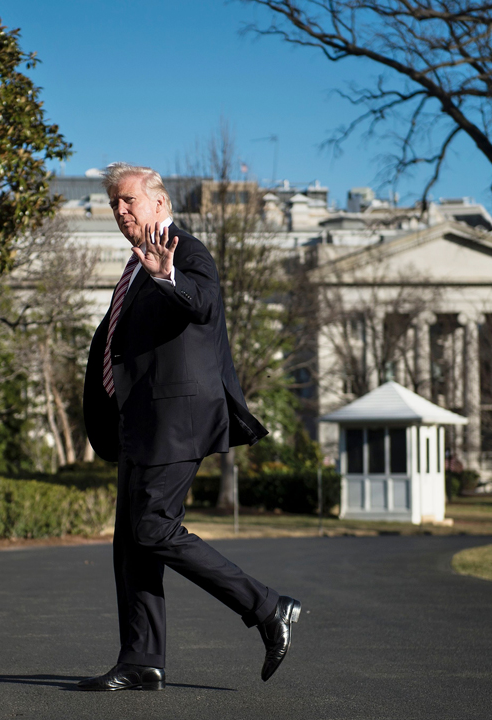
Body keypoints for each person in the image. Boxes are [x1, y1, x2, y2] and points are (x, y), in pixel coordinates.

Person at [77, 163, 301, 692]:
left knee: (153, 528)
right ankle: (140, 660)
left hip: (176, 419)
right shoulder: (135, 264)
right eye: (114, 204)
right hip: (141, 421)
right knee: (132, 544)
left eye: (129, 200)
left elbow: (201, 303)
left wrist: (165, 275)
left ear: (160, 203)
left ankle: (268, 607)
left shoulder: (184, 250)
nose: (121, 210)